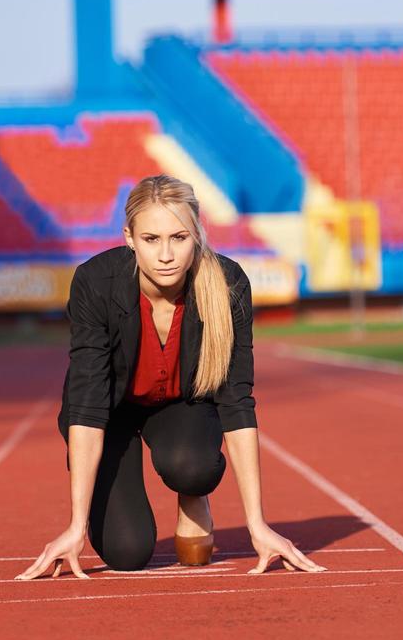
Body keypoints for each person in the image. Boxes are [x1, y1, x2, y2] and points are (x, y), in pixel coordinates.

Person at [18, 175, 325, 580]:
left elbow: (236, 402)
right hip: (112, 414)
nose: (165, 254)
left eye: (179, 237)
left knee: (192, 466)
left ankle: (192, 493)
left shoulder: (229, 284)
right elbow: (87, 403)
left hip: (183, 404)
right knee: (126, 553)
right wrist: (76, 525)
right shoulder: (95, 283)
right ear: (129, 237)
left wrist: (258, 525)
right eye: (151, 239)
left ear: (197, 234)